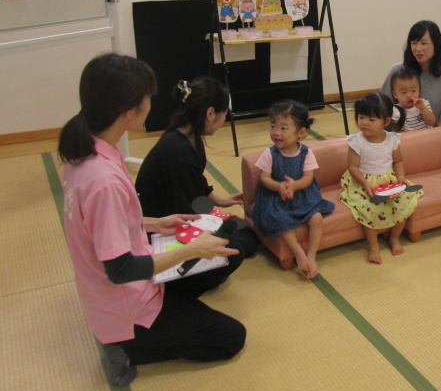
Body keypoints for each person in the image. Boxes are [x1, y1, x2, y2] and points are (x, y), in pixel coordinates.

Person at [59, 53, 245, 387]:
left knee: (226, 255)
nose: (151, 102)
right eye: (147, 97)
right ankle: (125, 346)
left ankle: (162, 316)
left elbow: (100, 224)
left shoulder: (84, 154)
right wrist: (192, 250)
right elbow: (120, 269)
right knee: (232, 337)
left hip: (126, 283)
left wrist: (153, 224)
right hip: (127, 303)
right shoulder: (103, 180)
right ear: (129, 111)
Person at [135, 78, 259, 268]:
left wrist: (220, 201)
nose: (224, 120)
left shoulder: (188, 135)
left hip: (177, 210)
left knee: (246, 237)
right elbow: (187, 208)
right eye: (224, 114)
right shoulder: (178, 152)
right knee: (237, 250)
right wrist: (216, 221)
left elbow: (196, 180)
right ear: (210, 113)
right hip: (161, 228)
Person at [250, 100, 335, 279]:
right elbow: (264, 178)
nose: (276, 132)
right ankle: (298, 252)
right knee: (281, 220)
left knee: (316, 218)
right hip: (277, 199)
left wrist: (295, 185)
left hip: (303, 196)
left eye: (283, 128)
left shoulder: (306, 152)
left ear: (301, 132)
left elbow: (308, 177)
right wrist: (278, 186)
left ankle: (311, 255)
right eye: (273, 126)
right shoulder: (270, 153)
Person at [340, 92, 422, 264]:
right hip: (363, 181)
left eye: (371, 119)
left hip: (388, 180)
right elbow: (353, 167)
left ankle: (394, 237)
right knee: (370, 209)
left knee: (404, 204)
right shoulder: (357, 141)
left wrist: (401, 177)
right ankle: (373, 245)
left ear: (386, 122)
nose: (364, 123)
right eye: (361, 117)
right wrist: (365, 183)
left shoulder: (392, 139)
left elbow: (398, 161)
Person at [380, 20, 441, 125]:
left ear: (436, 44)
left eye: (423, 43)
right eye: (414, 43)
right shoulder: (397, 72)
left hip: (435, 132)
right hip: (399, 133)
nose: (418, 49)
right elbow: (381, 109)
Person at [389, 66, 436, 131]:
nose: (409, 95)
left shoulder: (424, 103)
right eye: (404, 92)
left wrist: (423, 109)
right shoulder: (396, 111)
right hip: (410, 137)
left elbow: (431, 123)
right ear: (395, 94)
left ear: (419, 90)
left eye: (413, 91)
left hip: (427, 135)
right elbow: (395, 131)